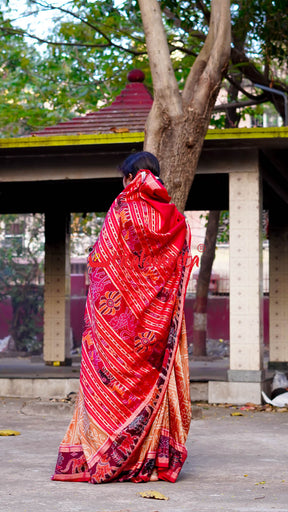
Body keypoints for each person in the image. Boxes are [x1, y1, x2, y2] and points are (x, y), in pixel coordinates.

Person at [52, 151, 192, 484]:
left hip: (114, 329)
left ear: (129, 177)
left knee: (108, 388)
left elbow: (102, 261)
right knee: (150, 390)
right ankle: (147, 462)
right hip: (155, 331)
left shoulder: (122, 209)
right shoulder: (173, 218)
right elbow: (178, 265)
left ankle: (105, 459)